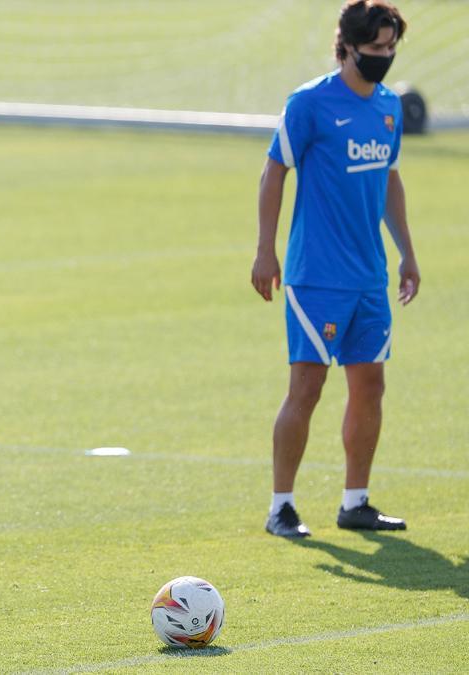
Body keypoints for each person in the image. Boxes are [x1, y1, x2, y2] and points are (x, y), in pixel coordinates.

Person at [253, 0, 419, 538]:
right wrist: (265, 249)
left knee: (370, 385)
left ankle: (356, 503)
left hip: (369, 277)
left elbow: (389, 181)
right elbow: (274, 172)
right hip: (316, 276)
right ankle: (281, 507)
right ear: (346, 47)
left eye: (391, 47)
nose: (384, 57)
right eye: (374, 49)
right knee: (307, 388)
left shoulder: (390, 107)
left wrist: (406, 253)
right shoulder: (309, 104)